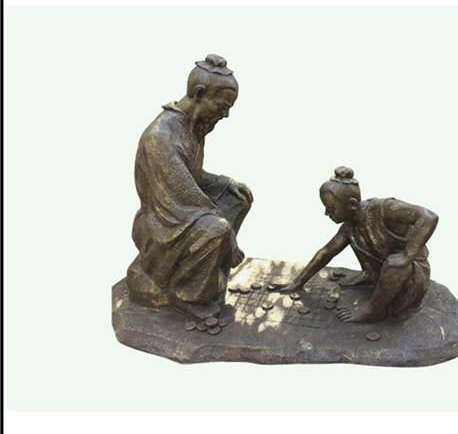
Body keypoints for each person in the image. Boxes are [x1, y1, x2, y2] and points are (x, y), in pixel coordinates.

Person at [126, 55, 253, 321]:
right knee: (217, 229)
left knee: (238, 198)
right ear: (199, 93)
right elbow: (181, 198)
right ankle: (185, 295)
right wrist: (229, 237)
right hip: (161, 223)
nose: (226, 114)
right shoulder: (161, 136)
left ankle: (210, 275)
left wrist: (226, 183)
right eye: (222, 106)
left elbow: (190, 177)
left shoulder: (193, 126)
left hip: (180, 208)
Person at [282, 167, 438, 323]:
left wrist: (407, 256)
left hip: (411, 277)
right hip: (383, 274)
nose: (327, 213)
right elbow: (326, 252)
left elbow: (428, 217)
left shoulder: (385, 209)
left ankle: (371, 311)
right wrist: (297, 282)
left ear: (352, 204)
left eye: (331, 209)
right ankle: (372, 275)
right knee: (363, 244)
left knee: (394, 264)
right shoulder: (350, 227)